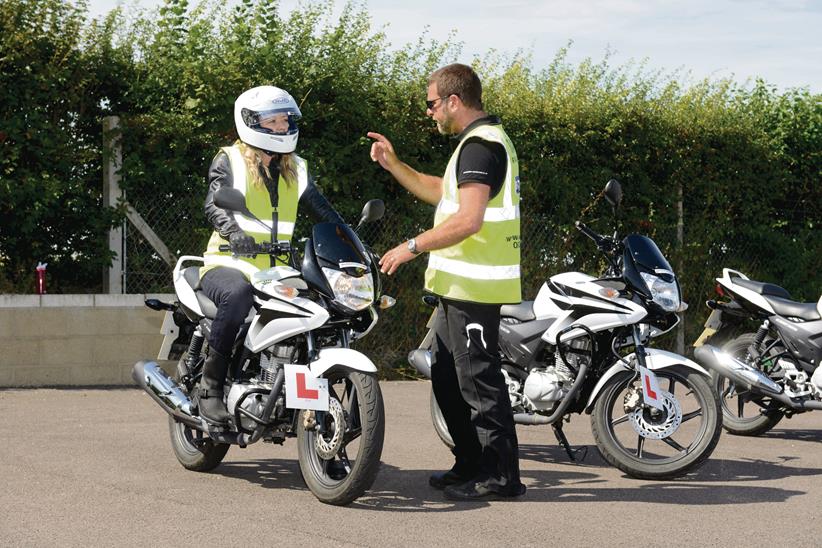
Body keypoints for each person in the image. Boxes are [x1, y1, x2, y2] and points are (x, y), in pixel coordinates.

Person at [368, 63, 525, 500]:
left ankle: (501, 477)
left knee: (478, 381)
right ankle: (470, 464)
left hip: (475, 290)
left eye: (432, 104)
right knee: (446, 378)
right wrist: (394, 164)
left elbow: (469, 219)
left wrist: (410, 246)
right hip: (456, 290)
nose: (430, 113)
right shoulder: (473, 147)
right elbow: (444, 192)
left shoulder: (480, 147)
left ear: (455, 101)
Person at [197, 85, 344, 424]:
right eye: (272, 121)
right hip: (228, 263)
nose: (281, 127)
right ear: (251, 122)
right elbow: (214, 203)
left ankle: (298, 396)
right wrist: (235, 233)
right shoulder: (230, 159)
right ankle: (211, 386)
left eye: (285, 120)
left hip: (277, 272)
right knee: (237, 297)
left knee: (322, 308)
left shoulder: (297, 168)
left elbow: (323, 211)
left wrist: (350, 239)